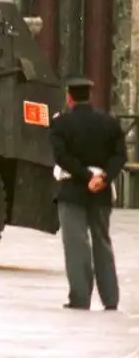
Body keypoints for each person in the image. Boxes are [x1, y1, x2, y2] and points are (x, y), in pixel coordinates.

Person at [49, 76, 124, 311]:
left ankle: (80, 298)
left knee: (76, 245)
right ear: (89, 96)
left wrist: (85, 176)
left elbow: (61, 157)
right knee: (102, 242)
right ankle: (110, 299)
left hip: (73, 189)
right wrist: (103, 177)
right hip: (101, 192)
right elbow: (119, 155)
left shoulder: (61, 123)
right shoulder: (109, 122)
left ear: (69, 97)